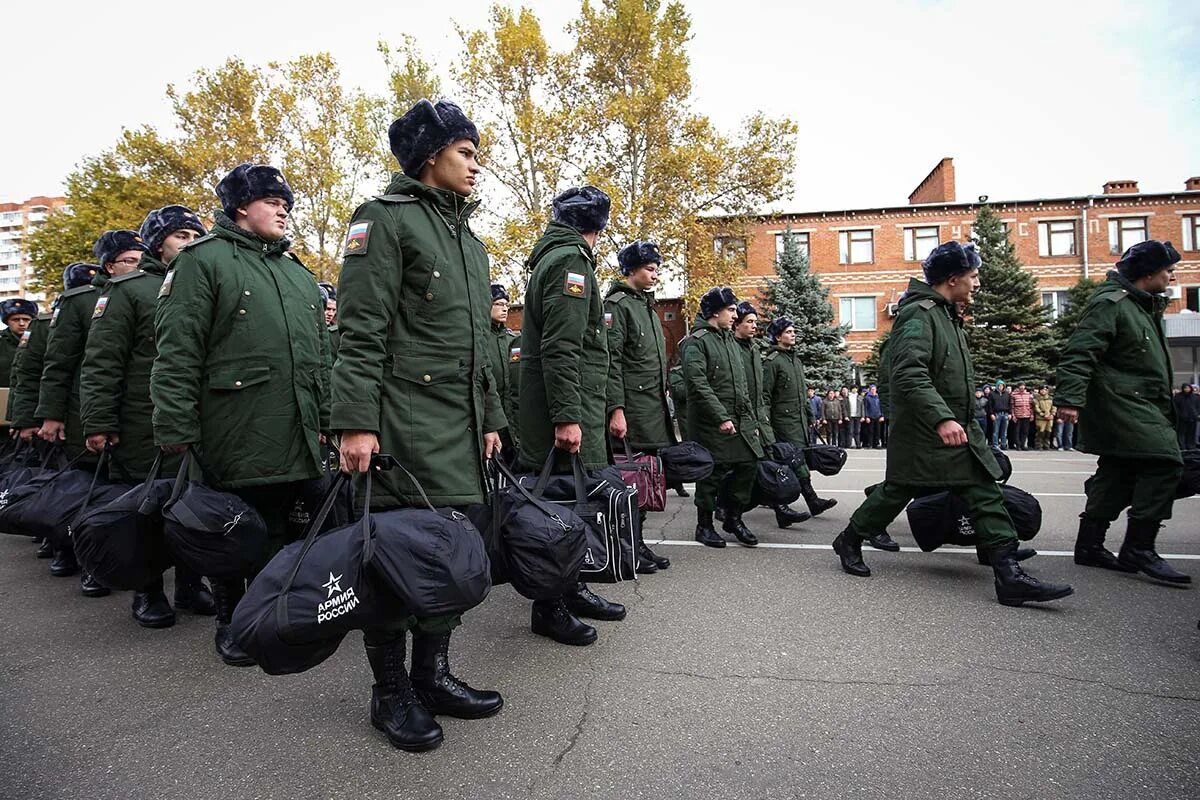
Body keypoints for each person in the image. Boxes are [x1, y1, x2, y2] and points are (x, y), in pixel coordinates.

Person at [333, 101, 505, 751]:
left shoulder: (468, 240)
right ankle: (390, 692)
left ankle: (432, 674)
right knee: (391, 565)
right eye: (466, 151)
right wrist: (355, 424)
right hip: (401, 430)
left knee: (449, 557)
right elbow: (361, 331)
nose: (475, 163)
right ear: (431, 154)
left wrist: (488, 417)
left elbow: (477, 347)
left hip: (458, 432)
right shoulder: (384, 220)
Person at [153, 164, 330, 668]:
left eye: (286, 203)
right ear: (239, 208)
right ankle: (229, 619)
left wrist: (331, 418)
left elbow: (321, 357)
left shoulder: (297, 274)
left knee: (280, 528)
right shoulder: (201, 262)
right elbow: (177, 351)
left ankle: (267, 613)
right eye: (272, 201)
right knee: (230, 528)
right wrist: (176, 428)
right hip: (233, 426)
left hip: (295, 426)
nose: (283, 210)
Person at [832, 241, 1073, 607]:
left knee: (982, 488)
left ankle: (1007, 571)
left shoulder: (945, 314)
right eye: (973, 277)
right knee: (896, 491)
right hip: (924, 430)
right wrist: (941, 417)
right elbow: (909, 373)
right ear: (953, 278)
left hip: (953, 427)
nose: (976, 284)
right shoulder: (920, 315)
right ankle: (849, 539)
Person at [80, 206, 214, 629]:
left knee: (192, 505)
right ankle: (149, 590)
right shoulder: (130, 290)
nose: (191, 244)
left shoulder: (206, 280)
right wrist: (100, 423)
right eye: (182, 237)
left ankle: (190, 585)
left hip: (200, 419)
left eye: (197, 236)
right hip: (144, 422)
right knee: (148, 507)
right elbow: (102, 362)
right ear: (159, 244)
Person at [518, 185, 627, 645]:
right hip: (566, 409)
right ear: (595, 228)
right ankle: (551, 605)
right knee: (563, 507)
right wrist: (567, 416)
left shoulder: (557, 256)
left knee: (571, 506)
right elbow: (562, 345)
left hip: (572, 404)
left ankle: (573, 586)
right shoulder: (570, 262)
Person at [1057, 240, 1190, 585]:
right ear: (1148, 273)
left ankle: (1089, 544)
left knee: (1117, 470)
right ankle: (1139, 547)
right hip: (1122, 405)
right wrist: (1069, 399)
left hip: (1141, 403)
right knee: (1165, 462)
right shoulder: (1111, 304)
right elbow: (1079, 352)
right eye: (1168, 270)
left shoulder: (1143, 307)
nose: (1173, 276)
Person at [38, 231, 147, 596]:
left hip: (138, 412)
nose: (137, 265)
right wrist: (51, 415)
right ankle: (87, 559)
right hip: (83, 412)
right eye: (129, 260)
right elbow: (60, 364)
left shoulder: (155, 290)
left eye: (139, 259)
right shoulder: (82, 301)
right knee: (92, 492)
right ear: (110, 265)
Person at [605, 240, 673, 571]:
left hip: (651, 408)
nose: (655, 275)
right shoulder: (617, 306)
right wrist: (616, 409)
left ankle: (638, 543)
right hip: (631, 411)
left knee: (642, 480)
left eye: (657, 269)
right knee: (628, 481)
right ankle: (625, 548)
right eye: (650, 269)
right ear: (632, 269)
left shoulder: (645, 306)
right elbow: (611, 361)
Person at [683, 287, 765, 548]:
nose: (734, 315)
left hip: (740, 419)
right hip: (711, 422)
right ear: (715, 312)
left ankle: (733, 517)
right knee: (711, 474)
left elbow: (741, 383)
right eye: (730, 310)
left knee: (749, 464)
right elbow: (697, 384)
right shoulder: (696, 341)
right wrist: (720, 416)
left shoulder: (729, 339)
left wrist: (751, 418)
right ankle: (704, 525)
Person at [762, 316, 838, 525]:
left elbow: (802, 393)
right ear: (778, 336)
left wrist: (810, 415)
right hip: (783, 422)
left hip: (800, 421)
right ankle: (805, 502)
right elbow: (765, 395)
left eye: (793, 331)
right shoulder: (772, 362)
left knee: (791, 463)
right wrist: (766, 423)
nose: (793, 334)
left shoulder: (795, 360)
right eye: (788, 332)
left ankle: (792, 507)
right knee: (794, 463)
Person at [485, 284, 521, 458]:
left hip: (514, 422)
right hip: (491, 420)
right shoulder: (480, 338)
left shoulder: (513, 340)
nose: (505, 309)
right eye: (499, 304)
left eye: (506, 305)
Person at [0, 298, 37, 388]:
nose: (21, 323)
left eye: (26, 319)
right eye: (16, 320)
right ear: (7, 322)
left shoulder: (41, 342)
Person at [1172, 383, 1199, 451]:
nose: (1187, 389)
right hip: (1182, 418)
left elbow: (1198, 406)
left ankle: (1191, 446)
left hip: (1193, 418)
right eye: (1185, 388)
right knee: (1181, 433)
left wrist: (1196, 414)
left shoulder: (1195, 397)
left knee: (1191, 433)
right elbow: (1176, 407)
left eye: (1188, 388)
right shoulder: (1178, 397)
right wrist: (1179, 415)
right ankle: (1182, 446)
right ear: (1183, 388)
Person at [1010, 383, 1033, 450]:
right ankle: (1018, 445)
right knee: (1017, 431)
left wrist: (1031, 415)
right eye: (1021, 386)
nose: (1022, 387)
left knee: (1025, 431)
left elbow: (1031, 406)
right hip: (1018, 416)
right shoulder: (1014, 395)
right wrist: (1013, 415)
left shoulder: (1028, 395)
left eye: (1023, 386)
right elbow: (1012, 406)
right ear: (1018, 387)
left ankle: (1023, 444)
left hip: (1026, 415)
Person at [989, 380, 1011, 449]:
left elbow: (1010, 404)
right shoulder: (992, 394)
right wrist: (991, 414)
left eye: (1002, 385)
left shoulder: (1007, 394)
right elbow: (990, 405)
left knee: (1004, 431)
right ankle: (995, 445)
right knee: (996, 431)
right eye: (999, 385)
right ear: (997, 386)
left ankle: (1003, 444)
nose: (1000, 387)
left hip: (1005, 414)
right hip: (996, 414)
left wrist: (1010, 413)